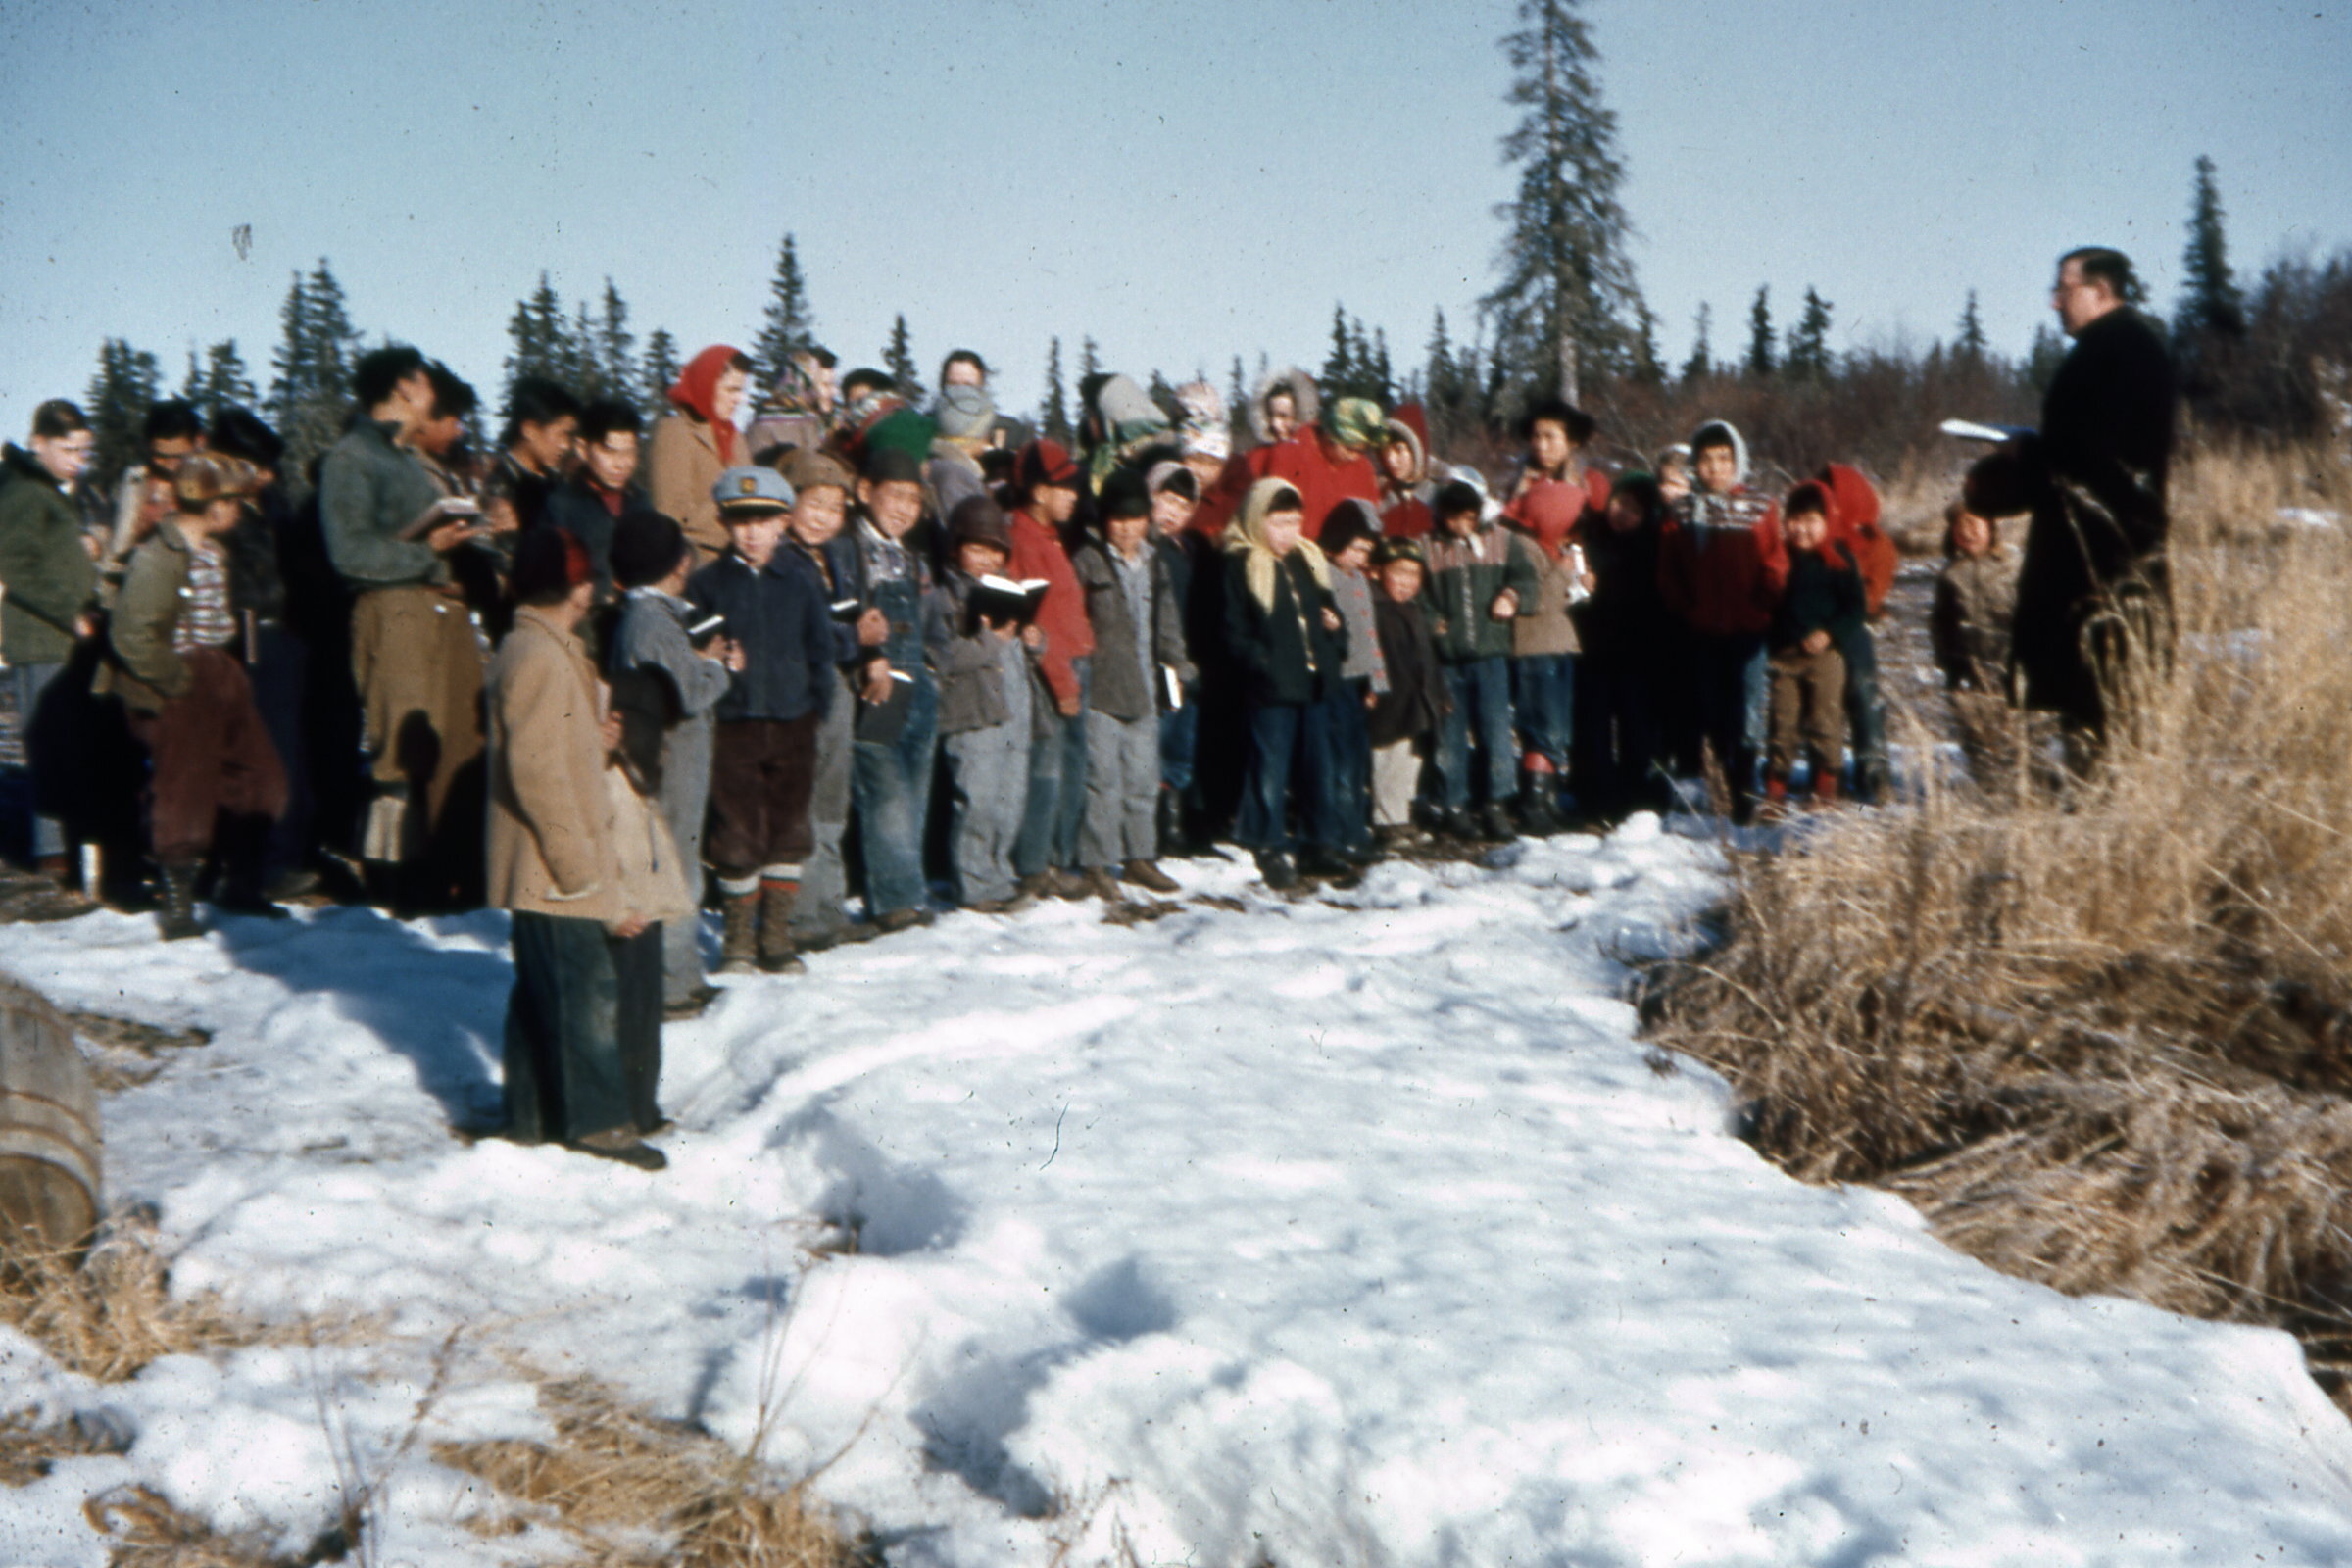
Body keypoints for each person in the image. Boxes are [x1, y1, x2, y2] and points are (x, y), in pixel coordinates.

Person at [489, 528, 689, 1171]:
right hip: (557, 863)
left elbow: (554, 749)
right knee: (586, 994)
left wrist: (593, 743)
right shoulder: (543, 657)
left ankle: (531, 1115)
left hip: (545, 861)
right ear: (579, 588)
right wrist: (584, 876)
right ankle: (602, 1125)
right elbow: (541, 776)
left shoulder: (535, 646)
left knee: (542, 993)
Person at [1976, 246, 2177, 756]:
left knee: (2100, 705)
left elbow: (2089, 460)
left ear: (2100, 291)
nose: (2054, 303)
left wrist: (2022, 457)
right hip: (2110, 555)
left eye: (2063, 289)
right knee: (2105, 705)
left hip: (2099, 562)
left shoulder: (2112, 353)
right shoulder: (2126, 347)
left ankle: (2101, 817)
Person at [318, 346, 491, 909]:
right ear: (403, 387)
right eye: (423, 383)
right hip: (391, 614)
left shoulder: (401, 457)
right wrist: (425, 554)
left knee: (440, 743)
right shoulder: (352, 456)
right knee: (400, 750)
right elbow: (348, 553)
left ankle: (435, 871)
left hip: (432, 611)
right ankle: (394, 881)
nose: (432, 395)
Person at [98, 453, 290, 936]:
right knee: (185, 786)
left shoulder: (213, 551)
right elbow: (131, 635)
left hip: (218, 670)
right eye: (232, 501)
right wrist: (176, 680)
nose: (239, 511)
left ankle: (242, 883)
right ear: (209, 502)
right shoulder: (159, 555)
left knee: (260, 777)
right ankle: (179, 898)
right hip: (179, 677)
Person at [686, 465, 835, 975]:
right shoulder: (707, 583)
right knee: (737, 830)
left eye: (764, 519)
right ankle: (739, 943)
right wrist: (712, 655)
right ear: (726, 524)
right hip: (735, 723)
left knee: (788, 828)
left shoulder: (800, 578)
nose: (751, 531)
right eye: (740, 520)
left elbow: (821, 645)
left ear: (784, 522)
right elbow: (695, 645)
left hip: (794, 721)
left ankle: (776, 935)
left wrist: (820, 706)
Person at [609, 511, 742, 1018]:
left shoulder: (640, 615)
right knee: (674, 865)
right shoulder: (655, 621)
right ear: (679, 564)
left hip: (662, 755)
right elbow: (687, 693)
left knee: (673, 860)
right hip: (671, 757)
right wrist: (715, 664)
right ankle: (669, 984)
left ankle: (679, 973)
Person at [774, 447, 885, 951]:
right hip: (797, 691)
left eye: (835, 509)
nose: (824, 518)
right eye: (814, 504)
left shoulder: (837, 556)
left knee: (831, 801)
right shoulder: (778, 557)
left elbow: (852, 614)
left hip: (837, 686)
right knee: (798, 802)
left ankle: (827, 903)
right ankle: (794, 915)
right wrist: (854, 640)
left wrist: (872, 650)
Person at [1071, 471, 1193, 899]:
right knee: (1101, 780)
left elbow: (1167, 619)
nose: (1125, 528)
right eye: (1117, 519)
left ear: (1147, 520)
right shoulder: (1088, 560)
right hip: (1102, 689)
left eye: (1135, 518)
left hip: (1145, 688)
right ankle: (1098, 863)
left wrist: (1178, 662)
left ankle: (1141, 856)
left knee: (1143, 778)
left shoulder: (1155, 560)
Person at [1222, 479, 1348, 891]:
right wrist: (1261, 663)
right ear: (1258, 520)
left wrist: (1334, 632)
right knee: (1270, 766)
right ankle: (1268, 840)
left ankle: (1318, 840)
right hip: (1270, 686)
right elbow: (1233, 629)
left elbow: (1326, 612)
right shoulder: (1242, 563)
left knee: (1318, 765)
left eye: (1294, 522)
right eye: (1278, 523)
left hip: (1312, 683)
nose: (1288, 533)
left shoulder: (1306, 558)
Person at [1658, 419, 1785, 822]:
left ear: (1737, 461)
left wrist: (1762, 607)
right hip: (1702, 630)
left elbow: (1776, 562)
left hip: (1748, 629)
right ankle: (1718, 788)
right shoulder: (1682, 511)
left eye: (1723, 459)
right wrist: (1687, 608)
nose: (1715, 468)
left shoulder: (1761, 506)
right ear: (1695, 464)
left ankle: (1747, 789)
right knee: (1711, 711)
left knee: (1747, 712)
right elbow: (1668, 570)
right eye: (1707, 460)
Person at [0, 400, 100, 884]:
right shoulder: (25, 492)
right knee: (49, 744)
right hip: (43, 638)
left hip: (60, 637)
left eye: (84, 450)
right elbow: (13, 566)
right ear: (38, 442)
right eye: (67, 449)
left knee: (65, 744)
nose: (77, 460)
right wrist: (69, 613)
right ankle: (52, 858)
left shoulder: (50, 490)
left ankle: (65, 850)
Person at [848, 446, 946, 932]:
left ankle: (909, 888)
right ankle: (895, 900)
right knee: (885, 792)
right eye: (896, 496)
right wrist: (869, 661)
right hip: (879, 685)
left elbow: (932, 621)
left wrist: (933, 666)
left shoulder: (914, 559)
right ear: (866, 492)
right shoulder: (852, 551)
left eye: (915, 499)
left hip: (918, 687)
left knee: (914, 789)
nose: (906, 508)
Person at [1503, 398, 1609, 833]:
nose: (1543, 446)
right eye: (1537, 436)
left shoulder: (1591, 483)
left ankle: (1567, 787)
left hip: (1581, 613)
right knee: (1540, 709)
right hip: (1540, 610)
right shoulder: (1520, 487)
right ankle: (1537, 797)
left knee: (1566, 709)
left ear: (1571, 442)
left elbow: (1604, 531)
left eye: (1552, 437)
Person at [936, 496, 1042, 913]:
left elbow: (1022, 649)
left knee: (1009, 798)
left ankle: (1000, 873)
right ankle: (974, 882)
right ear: (957, 548)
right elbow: (943, 656)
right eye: (976, 548)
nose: (985, 559)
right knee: (977, 799)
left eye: (994, 550)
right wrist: (985, 640)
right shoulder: (945, 597)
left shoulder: (1007, 590)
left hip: (1015, 710)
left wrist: (1035, 641)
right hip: (974, 714)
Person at [1423, 478, 1540, 842]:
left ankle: (1496, 803)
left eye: (1468, 518)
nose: (1461, 526)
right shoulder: (1428, 548)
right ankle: (1454, 805)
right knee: (1450, 736)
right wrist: (1432, 622)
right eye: (1453, 519)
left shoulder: (1501, 540)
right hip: (1449, 659)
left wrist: (1512, 595)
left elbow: (1526, 577)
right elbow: (1417, 594)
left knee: (1495, 731)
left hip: (1490, 657)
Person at [1006, 440, 1094, 901]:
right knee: (1048, 768)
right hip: (1054, 673)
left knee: (1071, 766)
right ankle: (1036, 864)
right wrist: (1062, 681)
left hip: (1076, 663)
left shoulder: (1050, 537)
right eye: (1064, 488)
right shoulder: (1023, 540)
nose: (1073, 496)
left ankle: (1061, 857)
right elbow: (1035, 624)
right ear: (1039, 491)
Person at [1572, 473, 1673, 821]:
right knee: (1593, 725)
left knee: (1638, 726)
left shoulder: (1656, 545)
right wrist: (1585, 584)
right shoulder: (1593, 538)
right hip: (1595, 648)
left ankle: (1637, 796)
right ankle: (1594, 797)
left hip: (1641, 651)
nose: (1621, 512)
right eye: (1617, 502)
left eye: (1632, 507)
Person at [1762, 482, 1864, 813]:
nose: (1802, 529)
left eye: (1811, 521)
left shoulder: (1838, 559)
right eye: (1795, 520)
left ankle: (1825, 787)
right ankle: (1775, 791)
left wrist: (1829, 633)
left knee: (1824, 720)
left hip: (1825, 656)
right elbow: (1766, 603)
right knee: (1783, 723)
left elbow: (1855, 608)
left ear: (1827, 522)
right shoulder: (1780, 557)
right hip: (1784, 656)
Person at [1813, 463, 1897, 801]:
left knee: (1863, 693)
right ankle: (1823, 772)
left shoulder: (1876, 544)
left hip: (1852, 627)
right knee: (1818, 701)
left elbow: (1871, 597)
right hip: (1816, 629)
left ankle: (1873, 771)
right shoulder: (1815, 537)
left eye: (1834, 498)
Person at [1197, 391, 1383, 541]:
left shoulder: (1363, 468)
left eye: (1363, 450)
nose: (1354, 456)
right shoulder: (1290, 454)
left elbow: (1371, 521)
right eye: (1350, 448)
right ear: (1330, 435)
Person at [1932, 501, 2025, 786]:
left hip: (2012, 667)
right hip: (1969, 671)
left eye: (1973, 524)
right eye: (1959, 527)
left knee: (2020, 737)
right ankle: (1989, 790)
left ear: (1991, 527)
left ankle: (2027, 791)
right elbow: (1940, 625)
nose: (1966, 532)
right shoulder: (1950, 575)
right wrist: (1949, 665)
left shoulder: (2013, 566)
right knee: (1977, 737)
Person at [1316, 499, 1387, 864]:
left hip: (1360, 682)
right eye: (1357, 548)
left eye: (1367, 550)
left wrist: (1377, 680)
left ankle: (1356, 830)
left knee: (1357, 763)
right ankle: (1339, 834)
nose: (1361, 557)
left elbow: (1370, 635)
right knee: (1338, 764)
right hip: (1336, 682)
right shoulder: (1323, 576)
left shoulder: (1360, 579)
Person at [544, 397, 662, 608]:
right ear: (582, 449)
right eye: (610, 451)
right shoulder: (562, 504)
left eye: (629, 452)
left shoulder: (640, 501)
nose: (621, 464)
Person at [1367, 536, 1445, 847]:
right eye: (1398, 572)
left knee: (1410, 760)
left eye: (1414, 575)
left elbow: (1427, 657)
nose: (1407, 582)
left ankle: (1401, 816)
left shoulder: (1414, 610)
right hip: (1390, 703)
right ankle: (1386, 821)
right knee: (1388, 760)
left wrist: (1440, 693)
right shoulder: (1376, 609)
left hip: (1417, 701)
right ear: (1378, 572)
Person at [648, 345, 754, 562]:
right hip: (699, 562)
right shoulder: (676, 431)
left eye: (741, 391)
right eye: (731, 390)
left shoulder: (735, 438)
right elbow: (673, 516)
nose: (739, 399)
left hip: (740, 559)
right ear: (707, 384)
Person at [106, 400, 204, 576]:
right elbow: (112, 533)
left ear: (199, 442)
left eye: (179, 457)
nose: (170, 466)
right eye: (161, 457)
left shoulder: (210, 486)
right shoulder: (134, 480)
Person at [488, 377, 580, 537]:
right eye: (561, 435)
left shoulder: (554, 482)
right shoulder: (500, 486)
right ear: (530, 430)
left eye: (569, 437)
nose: (566, 445)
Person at [746, 344, 838, 457]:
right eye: (826, 385)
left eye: (834, 385)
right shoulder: (769, 427)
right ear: (802, 386)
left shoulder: (826, 427)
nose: (834, 392)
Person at [1377, 404, 1438, 538]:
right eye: (1384, 451)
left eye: (1399, 450)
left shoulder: (1438, 495)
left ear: (1417, 452)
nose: (1390, 460)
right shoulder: (1377, 495)